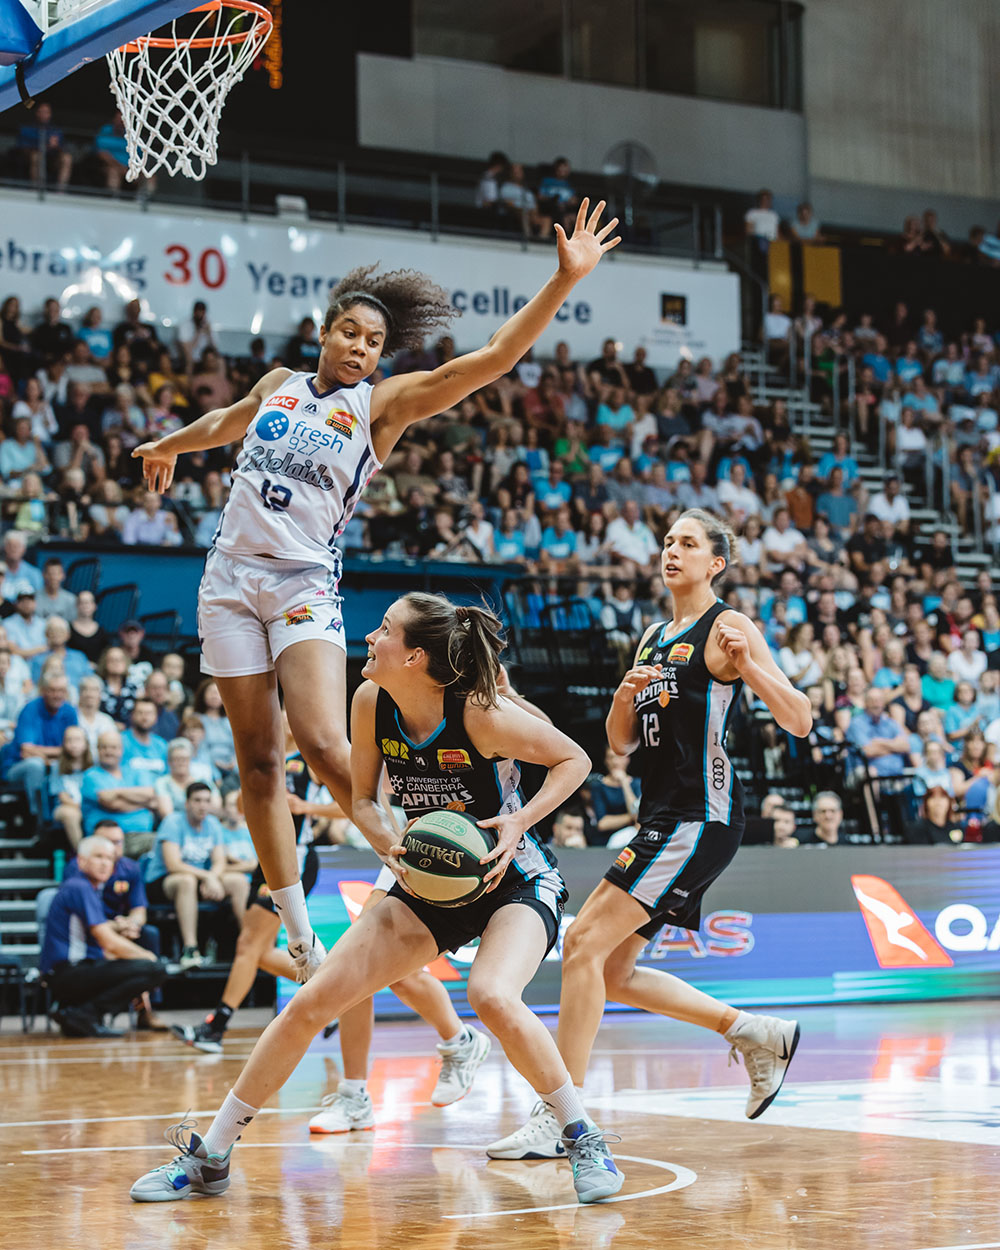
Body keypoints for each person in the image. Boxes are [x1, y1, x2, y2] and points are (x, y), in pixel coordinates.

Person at [130, 199, 620, 984]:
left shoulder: (380, 406)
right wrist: (169, 444)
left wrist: (562, 282)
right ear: (324, 333)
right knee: (257, 761)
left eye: (375, 341)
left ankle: (408, 857)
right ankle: (295, 928)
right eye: (350, 334)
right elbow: (228, 417)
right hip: (225, 580)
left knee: (323, 745)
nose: (361, 347)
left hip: (301, 583)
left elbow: (489, 359)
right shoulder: (281, 384)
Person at [131, 592, 622, 1206]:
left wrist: (520, 820)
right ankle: (212, 1155)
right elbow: (362, 798)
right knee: (313, 1002)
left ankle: (582, 1136)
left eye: (384, 630)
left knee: (491, 993)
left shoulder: (480, 714)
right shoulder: (370, 700)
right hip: (423, 878)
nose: (369, 636)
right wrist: (391, 845)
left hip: (511, 878)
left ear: (415, 656)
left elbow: (573, 758)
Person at [491, 509, 812, 1161]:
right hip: (663, 816)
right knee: (611, 967)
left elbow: (800, 718)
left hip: (702, 815)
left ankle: (562, 1115)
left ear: (715, 562)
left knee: (580, 943)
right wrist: (620, 697)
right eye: (667, 541)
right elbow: (619, 743)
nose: (673, 551)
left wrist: (748, 667)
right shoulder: (651, 637)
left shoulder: (727, 625)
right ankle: (753, 1031)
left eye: (688, 543)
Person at [41, 834, 168, 1038]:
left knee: (142, 965)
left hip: (73, 970)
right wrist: (148, 957)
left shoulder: (89, 888)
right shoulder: (80, 887)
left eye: (109, 858)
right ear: (81, 861)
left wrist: (121, 929)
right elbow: (109, 943)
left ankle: (77, 1014)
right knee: (155, 970)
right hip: (68, 973)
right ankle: (85, 1014)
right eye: (98, 857)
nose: (105, 863)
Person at [144, 781, 247, 968]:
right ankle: (190, 950)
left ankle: (250, 944)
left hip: (198, 878)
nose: (202, 805)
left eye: (207, 800)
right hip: (163, 881)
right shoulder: (173, 822)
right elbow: (173, 864)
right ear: (187, 803)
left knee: (237, 881)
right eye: (197, 800)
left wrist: (213, 877)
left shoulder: (213, 824)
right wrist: (207, 877)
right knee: (186, 881)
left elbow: (219, 861)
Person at [4, 672, 78, 823]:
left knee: (69, 763)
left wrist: (48, 756)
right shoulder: (30, 709)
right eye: (52, 690)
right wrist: (58, 753)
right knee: (35, 765)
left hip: (54, 764)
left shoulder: (69, 712)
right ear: (43, 691)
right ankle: (39, 819)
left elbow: (74, 748)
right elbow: (26, 751)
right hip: (15, 767)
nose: (57, 695)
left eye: (61, 691)